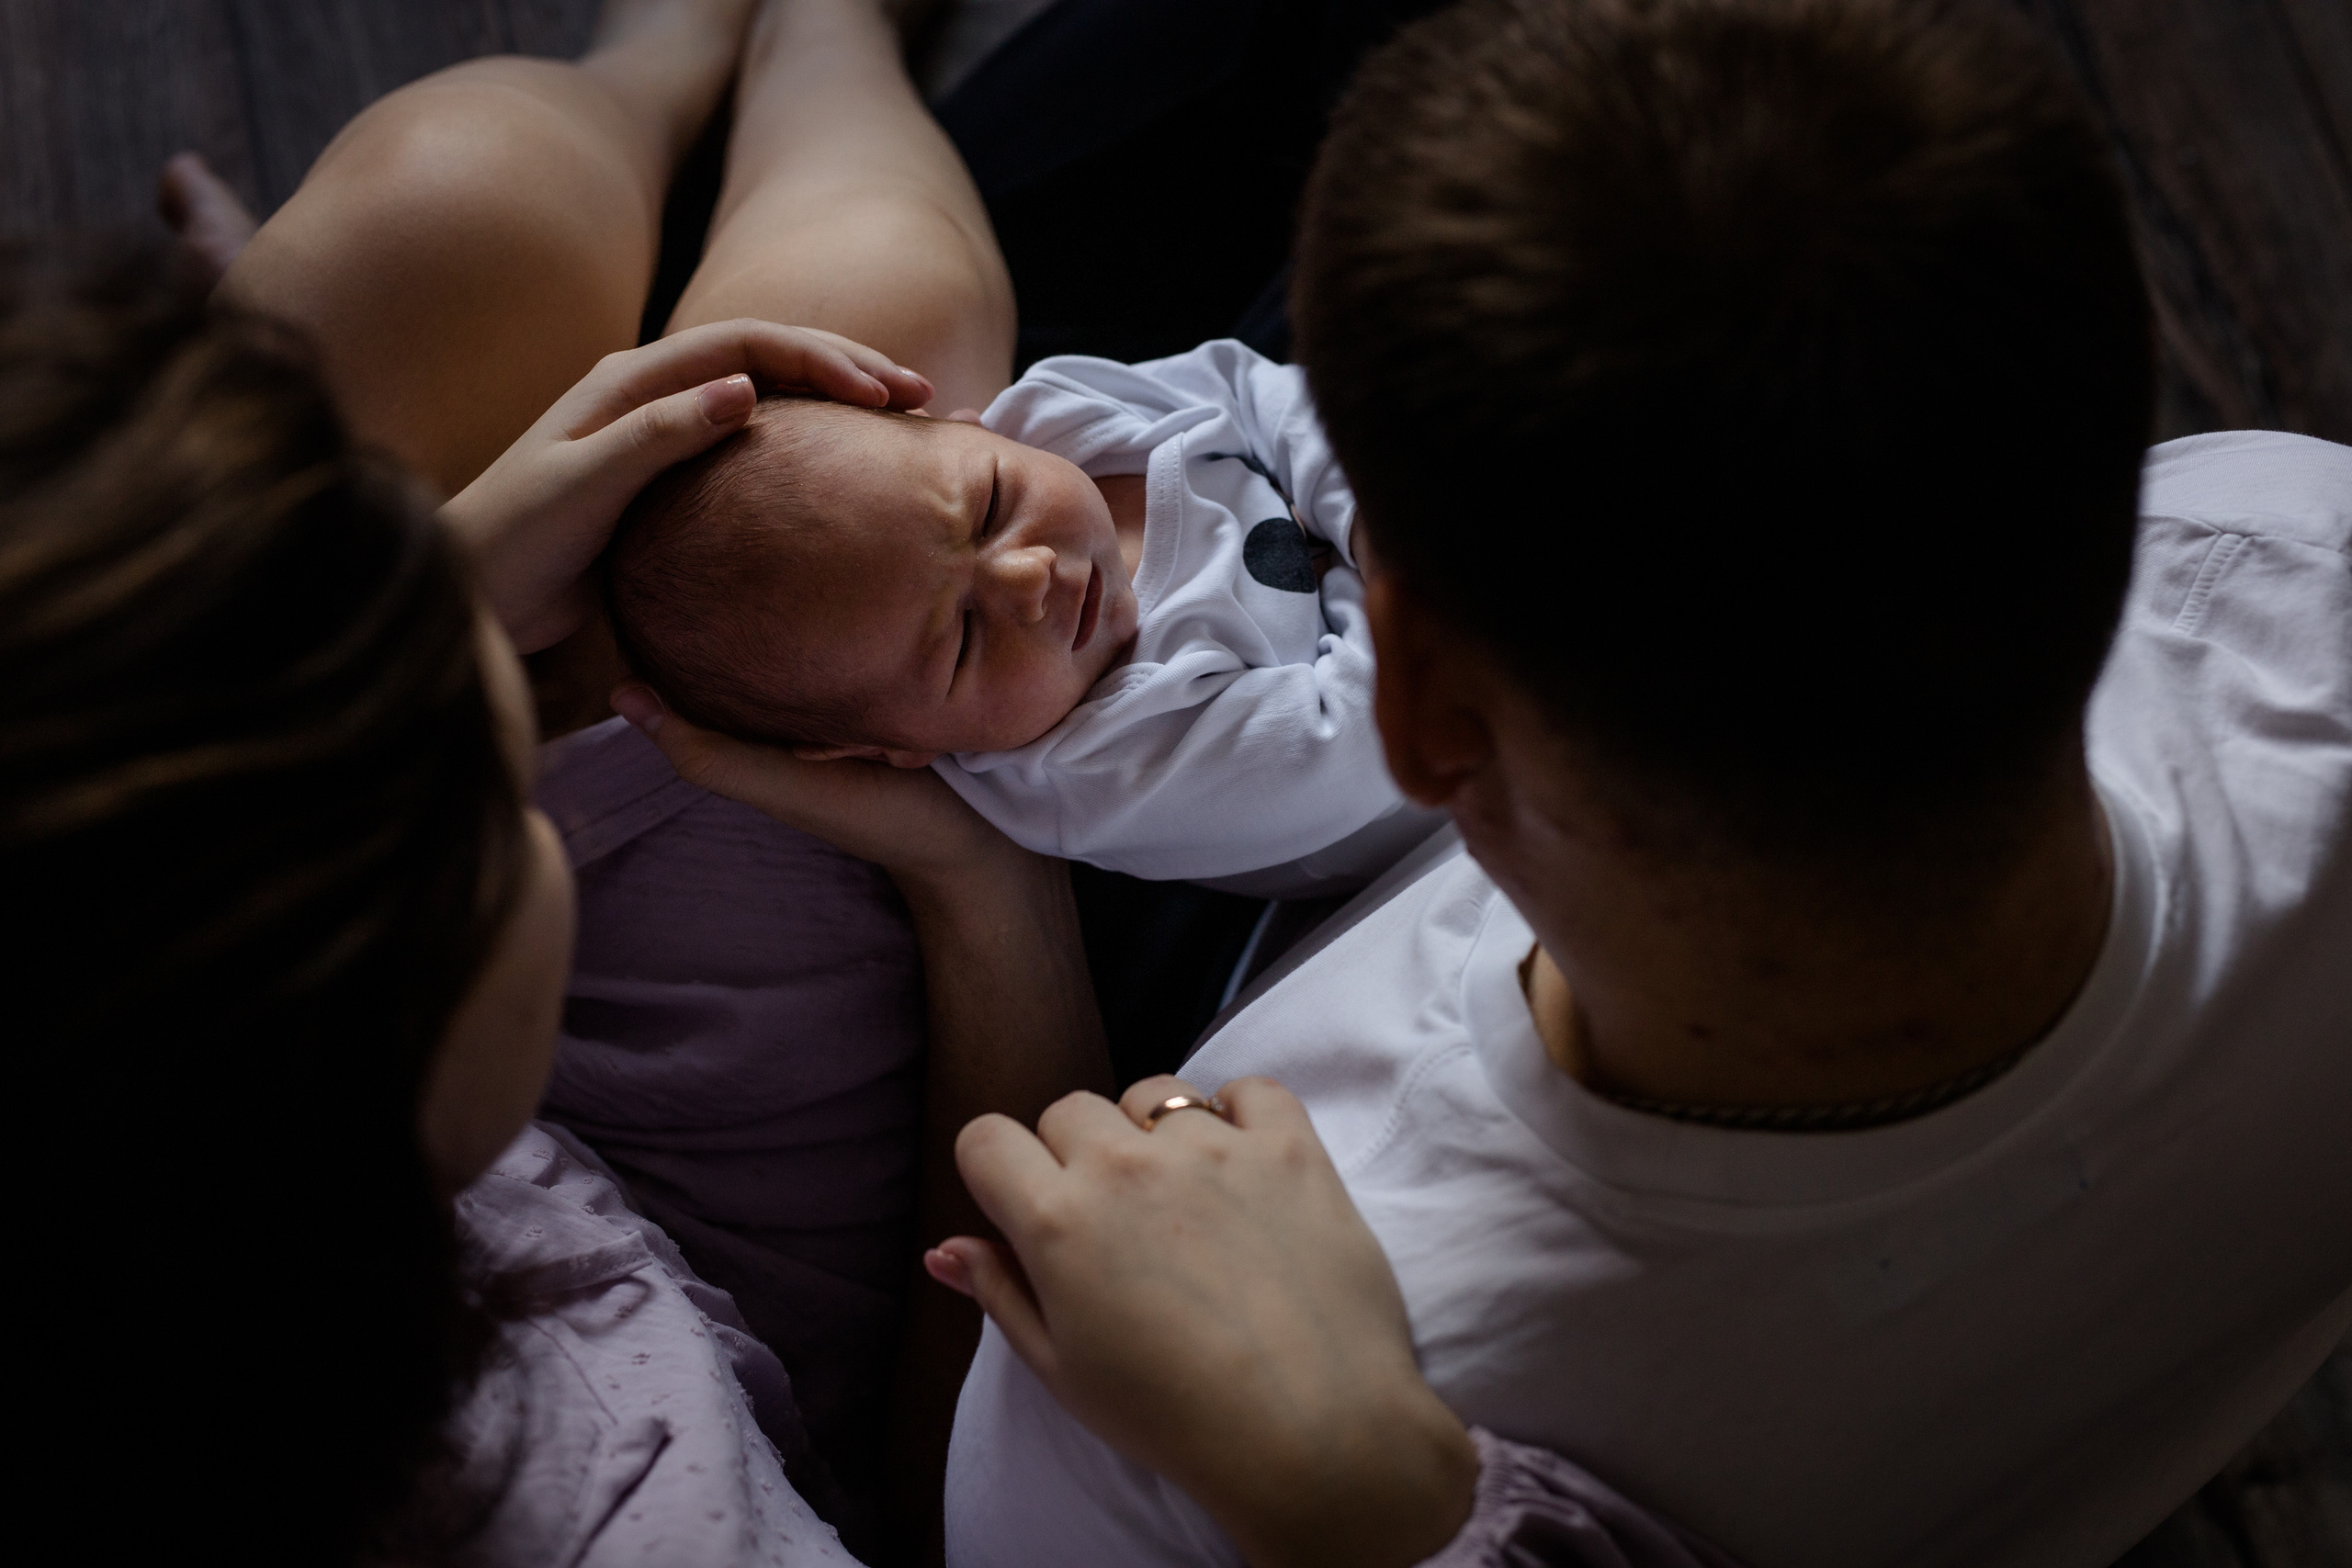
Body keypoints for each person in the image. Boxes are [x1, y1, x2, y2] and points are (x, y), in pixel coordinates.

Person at [899, 1, 2352, 1565]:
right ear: (2129, 369)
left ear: (1421, 703)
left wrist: (976, 889)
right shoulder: (2297, 556)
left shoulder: (1163, 1435)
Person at [606, 337, 1438, 893]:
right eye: (964, 638)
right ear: (895, 747)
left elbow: (1247, 385)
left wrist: (1363, 512)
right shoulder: (1095, 767)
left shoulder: (1053, 415)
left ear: (955, 425)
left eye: (991, 504)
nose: (1029, 576)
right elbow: (1367, 738)